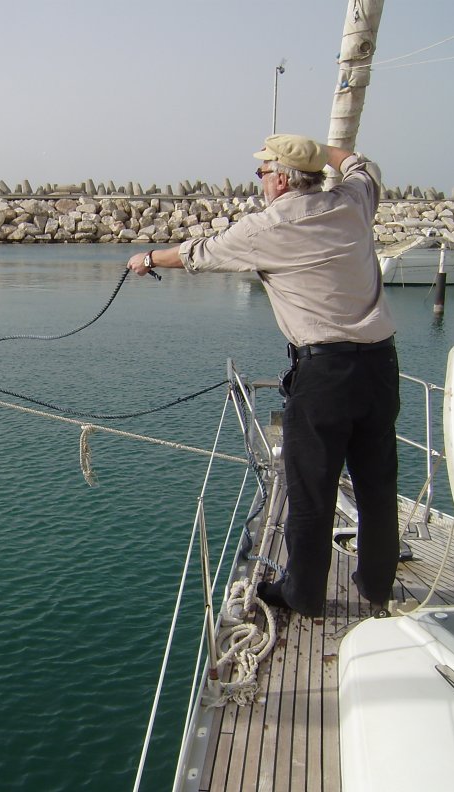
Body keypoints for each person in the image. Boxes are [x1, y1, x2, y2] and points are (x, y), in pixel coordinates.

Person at [127, 133, 400, 617]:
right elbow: (363, 165)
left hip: (325, 375)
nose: (259, 181)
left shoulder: (266, 227)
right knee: (377, 485)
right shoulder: (354, 200)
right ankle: (377, 586)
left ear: (279, 178)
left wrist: (146, 260)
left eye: (261, 172)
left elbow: (197, 252)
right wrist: (324, 148)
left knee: (310, 491)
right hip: (380, 367)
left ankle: (304, 596)